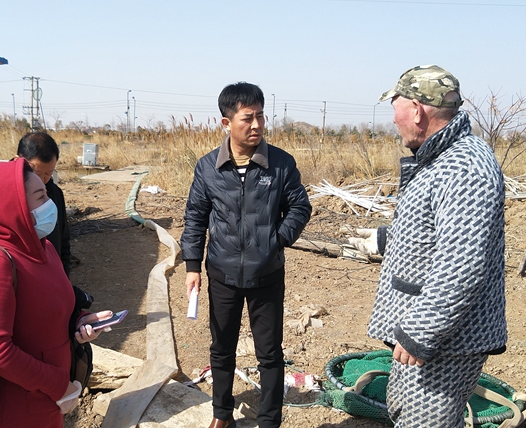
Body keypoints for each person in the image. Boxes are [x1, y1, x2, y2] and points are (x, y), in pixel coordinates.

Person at [348, 65, 507, 427]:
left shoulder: (465, 168)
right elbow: (439, 232)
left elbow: (462, 264)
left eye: (396, 108)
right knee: (403, 411)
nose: (393, 119)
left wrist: (420, 332)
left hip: (447, 341)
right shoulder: (440, 157)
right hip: (430, 334)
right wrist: (388, 238)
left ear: (417, 110)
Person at [180, 82, 311, 428]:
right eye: (247, 118)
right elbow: (195, 217)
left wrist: (276, 240)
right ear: (226, 123)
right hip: (222, 274)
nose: (256, 125)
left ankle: (269, 421)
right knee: (221, 348)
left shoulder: (280, 164)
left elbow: (300, 207)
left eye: (261, 116)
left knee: (270, 353)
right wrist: (192, 266)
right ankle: (222, 414)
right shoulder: (208, 167)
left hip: (266, 274)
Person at [0, 159, 110, 428]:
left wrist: (79, 321)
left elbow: (49, 308)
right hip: (20, 407)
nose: (50, 203)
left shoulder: (44, 248)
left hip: (49, 401)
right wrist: (59, 386)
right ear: (12, 205)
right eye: (41, 197)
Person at [0, 131, 72, 275]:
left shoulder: (55, 193)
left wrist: (63, 279)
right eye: (37, 173)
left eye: (49, 173)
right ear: (17, 161)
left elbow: (63, 242)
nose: (43, 180)